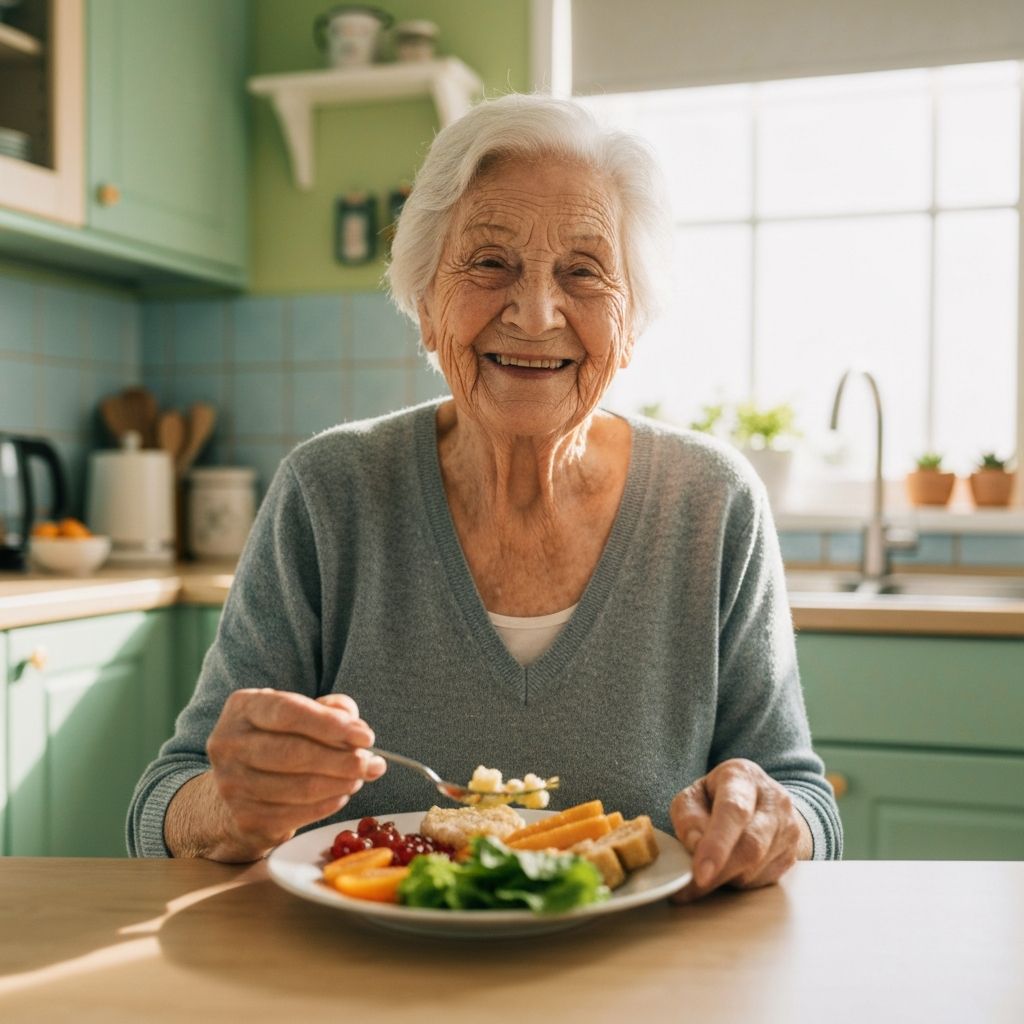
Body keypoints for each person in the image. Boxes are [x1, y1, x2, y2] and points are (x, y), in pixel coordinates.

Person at [128, 93, 841, 901]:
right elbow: (162, 803)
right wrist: (230, 807)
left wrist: (771, 819)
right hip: (367, 984)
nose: (536, 314)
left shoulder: (713, 504)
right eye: (490, 263)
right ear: (427, 304)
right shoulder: (328, 494)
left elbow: (805, 800)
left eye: (584, 272)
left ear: (631, 321)